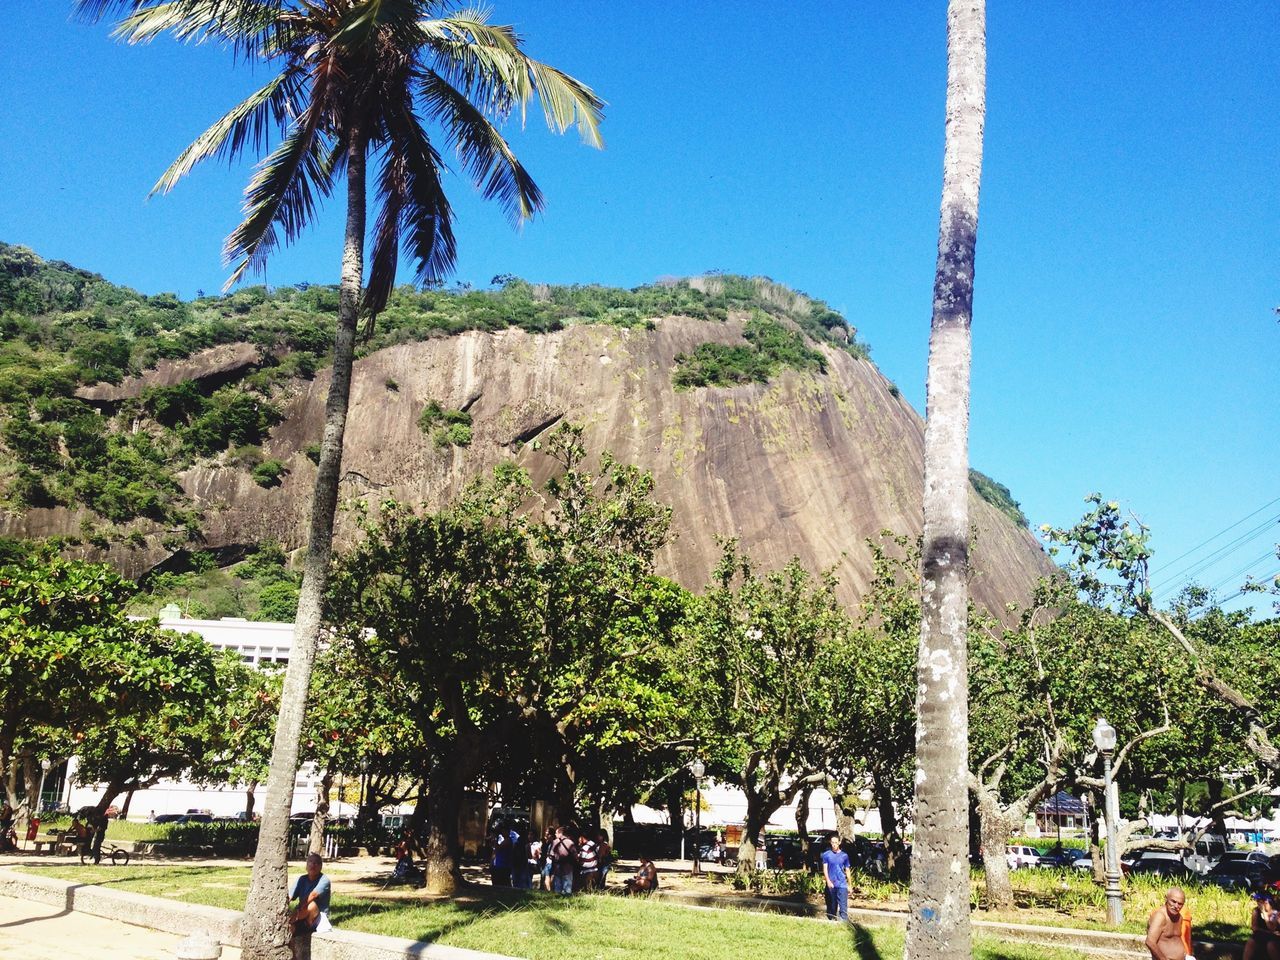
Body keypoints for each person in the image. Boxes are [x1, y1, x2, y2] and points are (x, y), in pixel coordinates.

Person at [289, 853, 332, 936]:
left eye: (316, 863)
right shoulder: (301, 879)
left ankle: (305, 926)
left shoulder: (324, 880)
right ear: (306, 866)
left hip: (317, 917)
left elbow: (313, 896)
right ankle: (297, 926)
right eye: (310, 862)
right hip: (301, 913)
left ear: (321, 867)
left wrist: (297, 913)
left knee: (311, 905)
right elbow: (290, 896)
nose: (313, 865)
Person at [1145, 887, 1192, 960]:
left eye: (1180, 904)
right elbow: (1150, 941)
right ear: (1166, 898)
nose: (1176, 906)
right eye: (1173, 901)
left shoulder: (1179, 917)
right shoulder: (1160, 916)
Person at [820, 834, 851, 922]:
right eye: (832, 842)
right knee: (832, 907)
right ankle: (832, 922)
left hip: (842, 884)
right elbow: (825, 869)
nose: (834, 844)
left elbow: (847, 870)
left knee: (843, 907)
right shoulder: (826, 855)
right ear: (830, 842)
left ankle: (843, 923)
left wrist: (850, 884)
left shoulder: (844, 856)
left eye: (836, 843)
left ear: (839, 843)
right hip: (831, 884)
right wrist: (828, 881)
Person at [1245, 891, 1280, 960]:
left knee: (1271, 945)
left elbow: (1272, 928)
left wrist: (1264, 913)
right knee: (1251, 941)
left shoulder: (1276, 913)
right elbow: (1254, 927)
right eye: (1257, 901)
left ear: (1267, 902)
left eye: (1260, 901)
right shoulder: (1256, 911)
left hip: (1274, 938)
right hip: (1263, 935)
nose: (1258, 903)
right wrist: (1267, 932)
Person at [549, 825, 577, 895]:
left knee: (557, 887)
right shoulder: (570, 842)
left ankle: (558, 900)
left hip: (557, 867)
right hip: (568, 867)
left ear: (560, 833)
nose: (555, 834)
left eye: (556, 833)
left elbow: (551, 856)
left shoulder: (554, 842)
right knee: (567, 886)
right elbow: (575, 856)